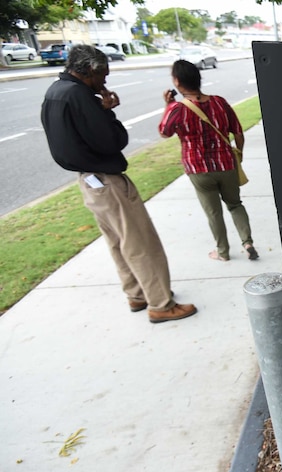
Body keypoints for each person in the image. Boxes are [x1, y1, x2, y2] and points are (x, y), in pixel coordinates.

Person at [41, 44, 197, 324]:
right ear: (91, 70)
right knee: (140, 242)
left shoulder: (55, 92)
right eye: (103, 75)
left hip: (88, 181)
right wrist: (108, 111)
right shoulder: (80, 96)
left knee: (117, 241)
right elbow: (113, 141)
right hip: (108, 180)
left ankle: (137, 293)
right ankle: (161, 304)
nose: (105, 81)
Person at [158, 60, 258, 262]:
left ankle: (222, 252)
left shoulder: (177, 109)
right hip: (226, 164)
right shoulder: (220, 102)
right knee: (235, 204)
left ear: (177, 81)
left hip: (198, 168)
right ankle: (247, 243)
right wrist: (239, 155)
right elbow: (238, 133)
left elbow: (164, 132)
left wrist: (167, 105)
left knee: (214, 212)